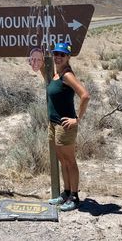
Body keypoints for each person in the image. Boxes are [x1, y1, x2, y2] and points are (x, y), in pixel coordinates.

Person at [40, 42, 90, 211]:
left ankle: (74, 197)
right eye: (56, 54)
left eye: (62, 55)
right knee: (62, 160)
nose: (58, 57)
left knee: (70, 161)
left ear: (68, 57)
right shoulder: (57, 74)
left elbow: (85, 95)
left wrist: (77, 119)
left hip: (65, 126)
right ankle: (66, 193)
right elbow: (54, 90)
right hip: (54, 124)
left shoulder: (67, 75)